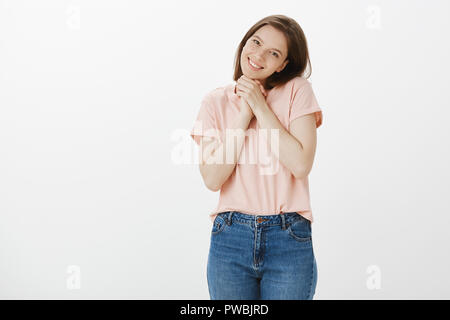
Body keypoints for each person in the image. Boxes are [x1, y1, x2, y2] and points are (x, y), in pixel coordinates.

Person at [190, 14, 323, 300]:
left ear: (283, 64)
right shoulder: (214, 101)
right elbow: (212, 179)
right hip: (230, 237)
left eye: (273, 53)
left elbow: (301, 164)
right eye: (256, 42)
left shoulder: (297, 91)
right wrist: (243, 114)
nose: (258, 55)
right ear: (245, 42)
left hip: (288, 235)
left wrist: (260, 107)